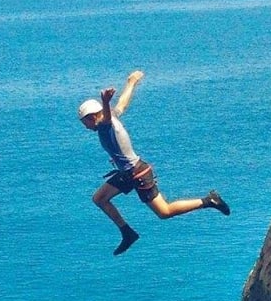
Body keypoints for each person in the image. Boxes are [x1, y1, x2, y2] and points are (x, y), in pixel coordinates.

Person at [79, 70, 230, 256]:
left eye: (84, 122)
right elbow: (123, 104)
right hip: (127, 173)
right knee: (99, 198)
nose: (84, 126)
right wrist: (132, 82)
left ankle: (209, 201)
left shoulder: (104, 124)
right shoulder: (113, 118)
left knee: (164, 212)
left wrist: (105, 102)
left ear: (91, 117)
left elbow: (107, 117)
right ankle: (127, 233)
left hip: (137, 174)